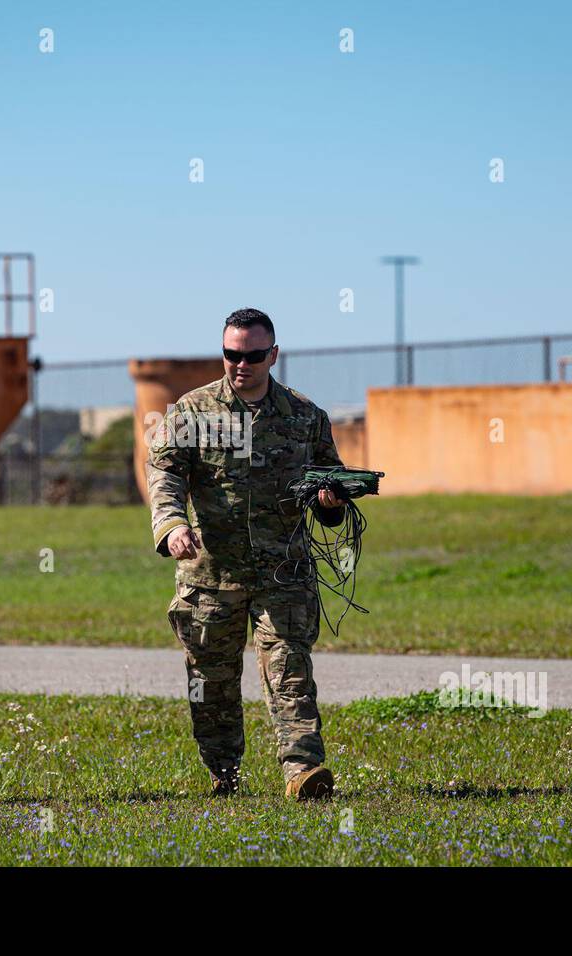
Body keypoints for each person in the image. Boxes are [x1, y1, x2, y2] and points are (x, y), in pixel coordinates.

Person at [146, 308, 345, 800]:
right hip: (210, 573)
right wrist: (171, 526)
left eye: (253, 355)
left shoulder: (305, 417)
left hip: (284, 571)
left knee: (289, 669)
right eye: (232, 355)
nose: (241, 364)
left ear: (273, 355)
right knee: (211, 682)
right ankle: (224, 773)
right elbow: (165, 474)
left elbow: (330, 485)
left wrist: (331, 502)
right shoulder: (191, 412)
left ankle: (302, 769)